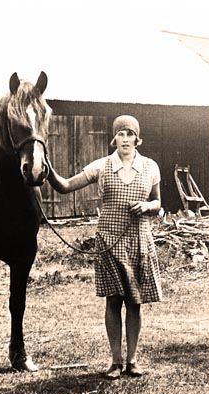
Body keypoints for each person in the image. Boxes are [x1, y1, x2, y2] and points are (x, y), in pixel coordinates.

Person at [46, 115, 162, 379]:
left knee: (135, 302)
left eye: (130, 134)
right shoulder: (102, 166)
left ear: (137, 138)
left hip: (140, 242)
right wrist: (46, 166)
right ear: (114, 138)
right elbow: (65, 186)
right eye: (120, 134)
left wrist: (146, 206)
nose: (125, 139)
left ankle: (132, 360)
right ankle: (116, 361)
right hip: (109, 241)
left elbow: (157, 203)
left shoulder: (150, 167)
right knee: (113, 300)